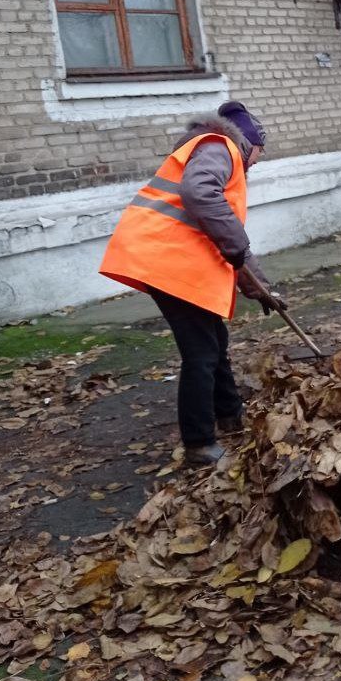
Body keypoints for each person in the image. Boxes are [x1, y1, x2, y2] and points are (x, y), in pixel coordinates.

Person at [100, 101, 284, 465]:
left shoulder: (214, 150)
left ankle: (231, 416)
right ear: (249, 141)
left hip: (172, 261)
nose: (259, 160)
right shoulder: (220, 146)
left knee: (214, 341)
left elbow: (227, 235)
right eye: (261, 149)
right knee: (201, 352)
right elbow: (201, 196)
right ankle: (199, 444)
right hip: (166, 262)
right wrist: (236, 251)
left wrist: (261, 287)